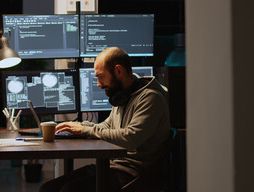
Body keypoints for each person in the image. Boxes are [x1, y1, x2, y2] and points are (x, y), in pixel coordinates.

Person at [39, 47, 170, 192]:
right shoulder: (123, 95)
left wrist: (86, 130)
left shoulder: (150, 98)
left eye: (100, 76)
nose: (98, 84)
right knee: (48, 188)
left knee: (68, 190)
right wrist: (80, 126)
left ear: (118, 71)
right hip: (113, 166)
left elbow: (130, 138)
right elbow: (107, 126)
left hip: (134, 174)